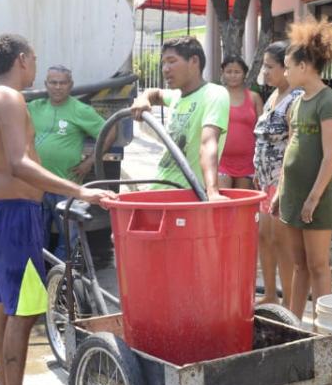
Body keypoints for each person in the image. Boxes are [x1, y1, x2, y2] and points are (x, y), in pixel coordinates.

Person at [0, 34, 113, 385]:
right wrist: (80, 191)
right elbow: (20, 162)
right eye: (33, 58)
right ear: (21, 59)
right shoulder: (11, 100)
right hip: (15, 215)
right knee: (25, 309)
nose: (35, 64)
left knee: (3, 303)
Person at [272, 17, 332, 320]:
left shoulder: (329, 102)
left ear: (304, 67)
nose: (285, 72)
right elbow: (292, 145)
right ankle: (294, 323)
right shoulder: (298, 102)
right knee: (299, 265)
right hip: (292, 194)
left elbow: (331, 156)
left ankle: (325, 329)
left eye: (288, 66)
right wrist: (279, 191)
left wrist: (313, 198)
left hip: (318, 197)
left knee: (317, 265)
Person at [27, 65, 112, 260]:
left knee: (69, 239)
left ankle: (63, 281)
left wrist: (90, 162)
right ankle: (40, 279)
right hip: (36, 185)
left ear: (71, 85)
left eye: (63, 83)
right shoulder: (34, 107)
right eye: (53, 82)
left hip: (66, 187)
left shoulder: (80, 110)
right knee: (36, 239)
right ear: (46, 85)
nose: (58, 87)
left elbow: (109, 132)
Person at [129, 36, 229, 199]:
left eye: (172, 61)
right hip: (158, 190)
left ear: (194, 61)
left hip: (185, 196)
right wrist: (143, 99)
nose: (165, 69)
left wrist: (212, 192)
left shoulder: (214, 94)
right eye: (163, 63)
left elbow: (208, 144)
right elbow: (156, 93)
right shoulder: (177, 96)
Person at [253, 42, 301, 306]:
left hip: (281, 182)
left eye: (270, 66)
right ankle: (270, 293)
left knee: (282, 243)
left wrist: (283, 184)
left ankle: (289, 301)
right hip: (263, 179)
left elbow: (293, 144)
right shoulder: (272, 96)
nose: (265, 72)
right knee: (264, 238)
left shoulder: (296, 99)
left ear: (287, 68)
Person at [218, 57, 263, 189]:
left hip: (248, 162)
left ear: (244, 74)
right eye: (229, 71)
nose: (233, 75)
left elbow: (262, 130)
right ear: (223, 73)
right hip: (222, 160)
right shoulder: (217, 96)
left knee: (243, 205)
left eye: (237, 72)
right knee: (222, 204)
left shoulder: (254, 97)